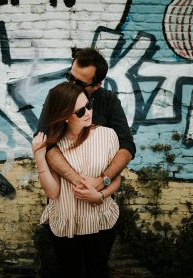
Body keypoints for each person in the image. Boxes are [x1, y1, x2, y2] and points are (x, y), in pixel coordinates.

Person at [32, 82, 121, 277]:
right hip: (65, 225)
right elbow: (53, 192)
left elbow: (116, 179)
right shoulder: (54, 145)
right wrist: (39, 157)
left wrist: (100, 194)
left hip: (100, 223)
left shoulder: (108, 135)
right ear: (64, 116)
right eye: (80, 112)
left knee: (97, 272)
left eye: (88, 106)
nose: (88, 113)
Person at [36, 47, 136, 192]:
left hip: (99, 199)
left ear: (96, 85)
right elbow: (44, 142)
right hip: (63, 196)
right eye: (71, 77)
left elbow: (127, 147)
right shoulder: (57, 96)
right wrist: (80, 182)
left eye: (80, 84)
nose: (72, 85)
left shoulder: (109, 101)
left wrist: (103, 180)